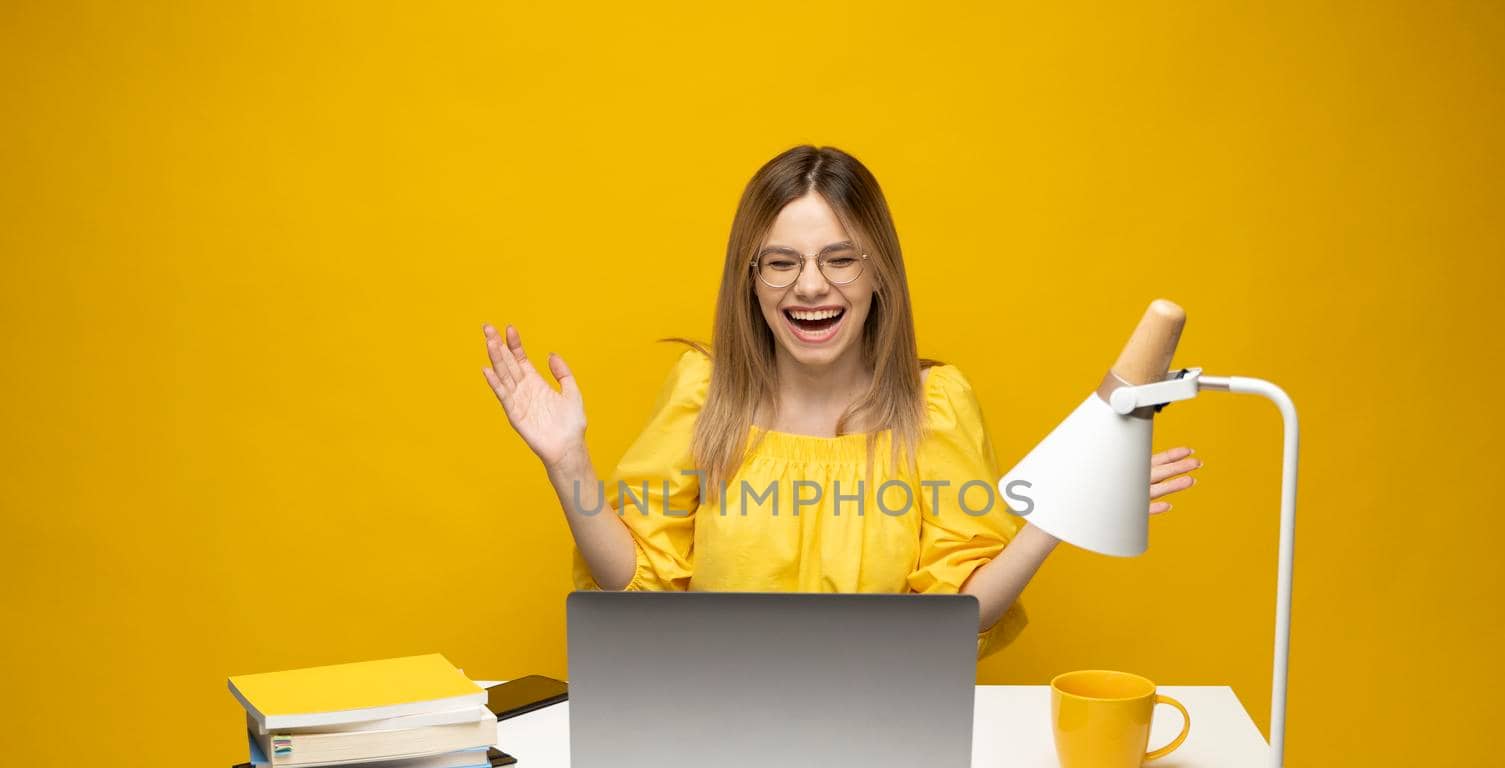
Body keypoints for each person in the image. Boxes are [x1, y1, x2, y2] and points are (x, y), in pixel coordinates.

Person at [480, 145, 1200, 659]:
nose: (811, 286)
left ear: (879, 272)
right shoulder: (703, 395)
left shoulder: (934, 406)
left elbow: (962, 615)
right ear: (750, 281)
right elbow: (638, 587)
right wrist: (567, 461)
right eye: (782, 262)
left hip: (883, 741)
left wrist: (1062, 511)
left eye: (840, 258)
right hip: (711, 728)